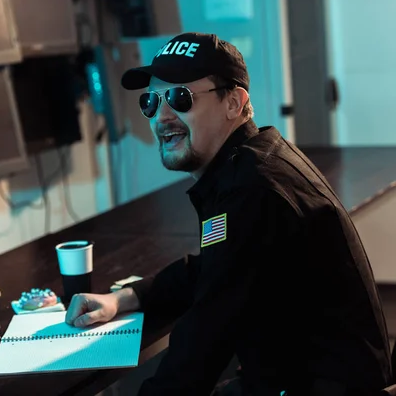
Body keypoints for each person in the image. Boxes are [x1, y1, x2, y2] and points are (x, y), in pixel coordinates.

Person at [65, 32, 393, 395]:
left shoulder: (253, 192)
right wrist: (124, 298)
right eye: (150, 101)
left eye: (179, 97)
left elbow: (202, 344)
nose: (162, 116)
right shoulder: (254, 162)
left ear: (234, 103)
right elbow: (214, 267)